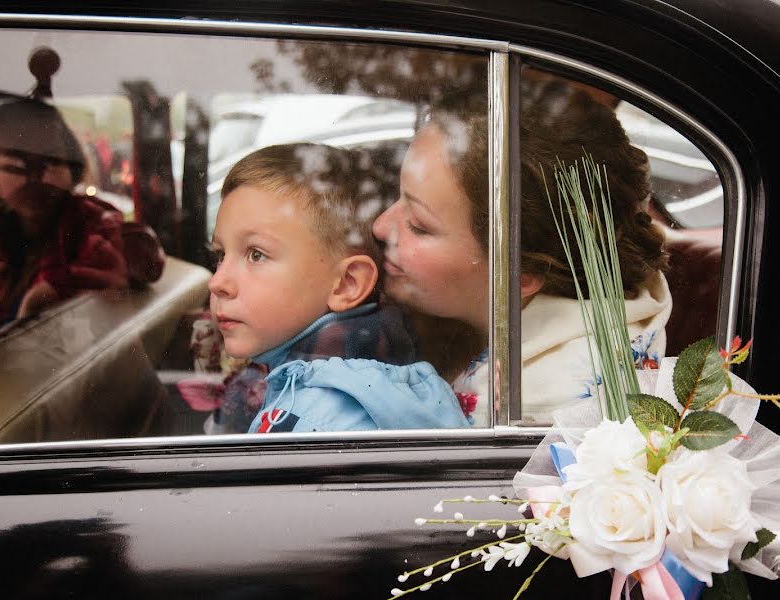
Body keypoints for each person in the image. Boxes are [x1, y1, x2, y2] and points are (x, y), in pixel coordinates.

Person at [372, 79, 671, 425]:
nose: (380, 225)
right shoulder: (614, 308)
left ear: (518, 274)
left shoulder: (530, 412)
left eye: (419, 225)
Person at [207, 143, 471, 433]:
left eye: (256, 254)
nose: (217, 282)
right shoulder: (398, 379)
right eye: (220, 255)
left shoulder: (302, 421)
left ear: (347, 284)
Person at [0, 97, 132, 339]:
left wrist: (44, 298)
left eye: (51, 161)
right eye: (16, 162)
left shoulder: (94, 226)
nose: (36, 178)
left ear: (73, 168)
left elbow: (134, 255)